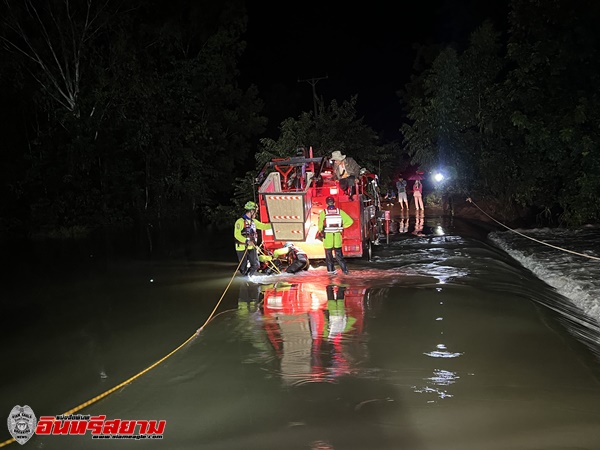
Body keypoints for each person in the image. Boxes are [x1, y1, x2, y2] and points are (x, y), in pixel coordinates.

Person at [234, 201, 272, 278]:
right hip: (242, 247)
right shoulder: (240, 222)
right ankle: (244, 278)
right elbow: (236, 234)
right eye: (255, 212)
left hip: (252, 247)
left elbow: (264, 226)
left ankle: (248, 277)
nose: (256, 214)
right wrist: (247, 241)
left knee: (256, 264)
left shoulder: (254, 222)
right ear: (251, 211)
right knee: (243, 267)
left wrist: (274, 225)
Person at [318, 196, 354, 275]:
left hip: (328, 239)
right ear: (334, 203)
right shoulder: (339, 212)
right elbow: (350, 221)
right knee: (339, 256)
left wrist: (321, 231)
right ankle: (345, 271)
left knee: (329, 257)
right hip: (337, 238)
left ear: (326, 204)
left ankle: (331, 272)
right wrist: (342, 227)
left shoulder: (323, 213)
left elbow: (320, 226)